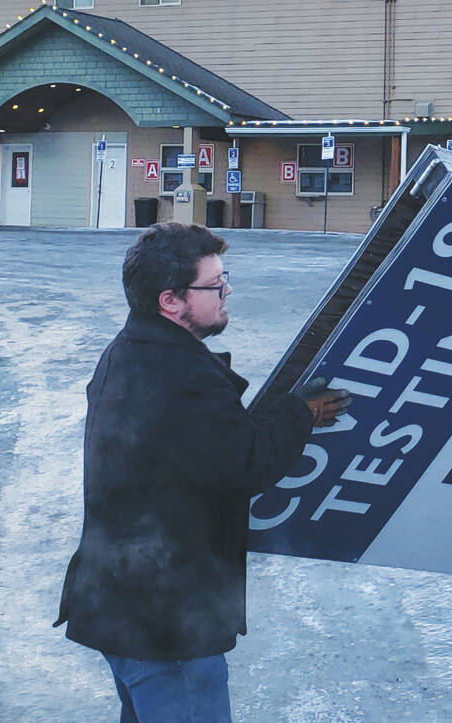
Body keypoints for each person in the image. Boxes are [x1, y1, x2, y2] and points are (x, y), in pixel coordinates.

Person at [56, 222, 350, 722]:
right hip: (164, 626)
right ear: (171, 302)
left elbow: (209, 449)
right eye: (214, 285)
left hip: (124, 607)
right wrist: (302, 412)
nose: (227, 290)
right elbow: (246, 462)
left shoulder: (132, 353)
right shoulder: (178, 377)